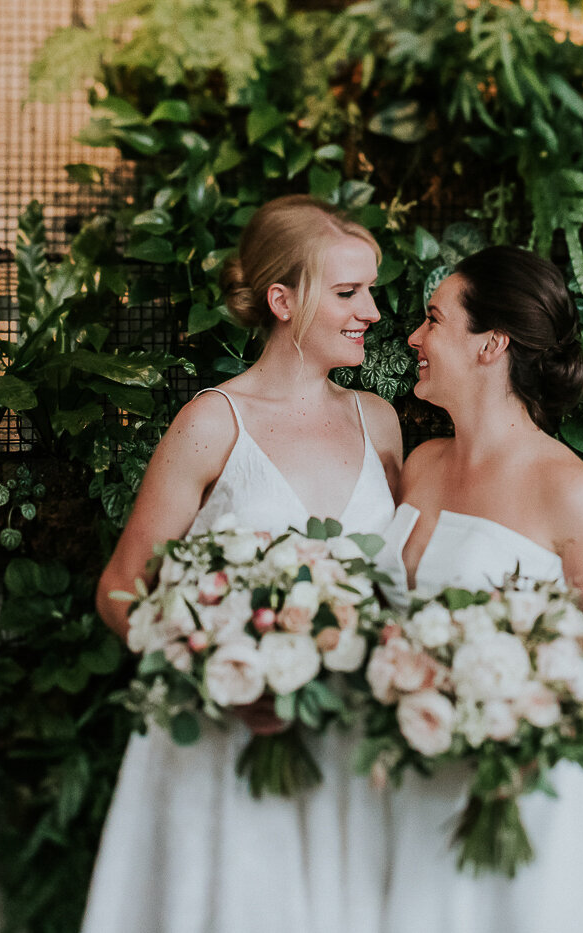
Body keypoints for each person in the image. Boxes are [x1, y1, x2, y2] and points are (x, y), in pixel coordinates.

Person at [82, 194, 403, 933]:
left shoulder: (379, 421)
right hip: (227, 740)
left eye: (372, 290)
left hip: (348, 743)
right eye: (349, 292)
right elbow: (121, 590)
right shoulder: (212, 422)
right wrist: (217, 670)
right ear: (282, 299)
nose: (374, 312)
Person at [374, 245, 583, 933]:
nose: (414, 337)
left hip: (523, 794)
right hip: (412, 778)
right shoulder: (421, 463)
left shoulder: (568, 491)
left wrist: (522, 717)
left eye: (433, 320)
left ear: (491, 343)